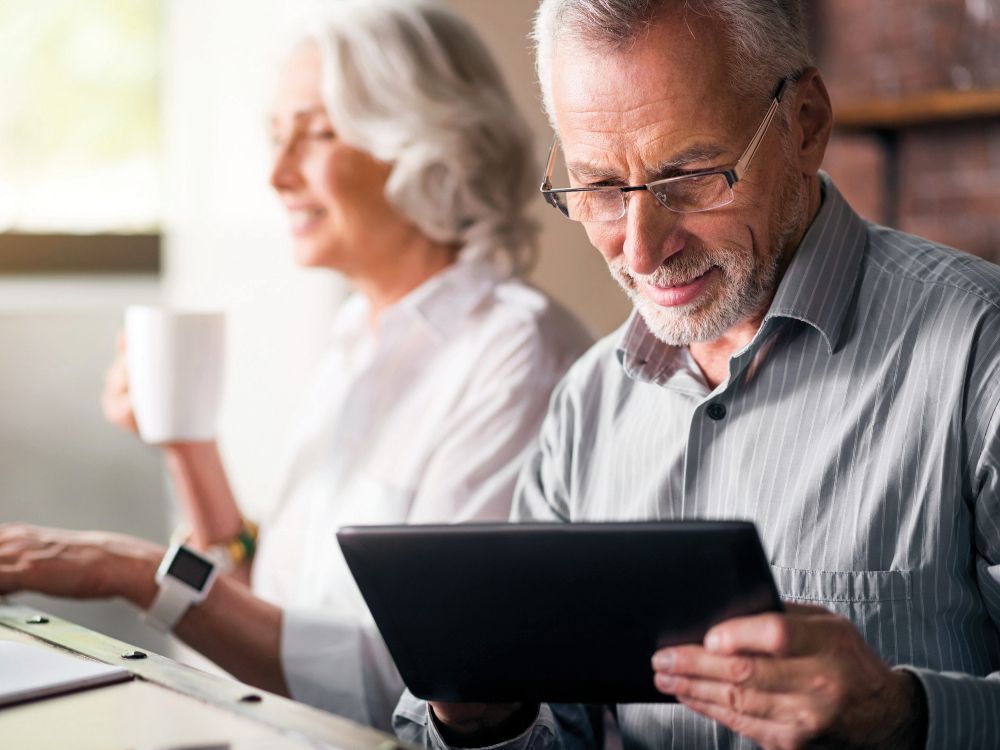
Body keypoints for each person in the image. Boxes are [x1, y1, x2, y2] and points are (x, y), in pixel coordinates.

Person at [392, 1, 1000, 749]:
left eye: (688, 177)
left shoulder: (982, 354)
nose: (641, 250)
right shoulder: (587, 404)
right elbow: (564, 725)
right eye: (600, 187)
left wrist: (902, 714)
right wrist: (488, 720)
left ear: (805, 124)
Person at [0, 0, 591, 732]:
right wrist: (186, 443)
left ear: (428, 143)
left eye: (316, 133)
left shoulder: (517, 358)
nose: (277, 175)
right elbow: (271, 613)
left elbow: (421, 688)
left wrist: (131, 572)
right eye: (276, 137)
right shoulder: (355, 337)